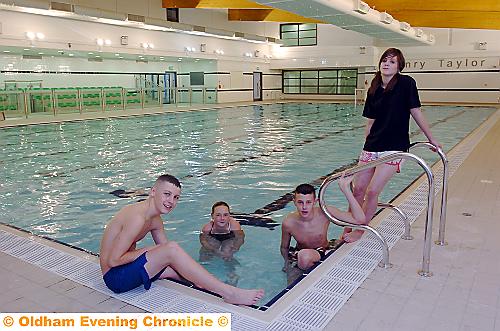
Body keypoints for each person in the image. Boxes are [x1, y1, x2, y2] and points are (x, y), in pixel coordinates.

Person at [99, 174, 264, 306]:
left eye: (176, 197)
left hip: (127, 269)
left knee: (186, 274)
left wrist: (190, 270)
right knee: (172, 249)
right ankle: (229, 293)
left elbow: (168, 255)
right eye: (167, 194)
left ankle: (216, 287)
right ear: (153, 192)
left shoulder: (155, 219)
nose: (171, 201)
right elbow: (113, 261)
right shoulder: (137, 217)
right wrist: (148, 250)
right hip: (115, 279)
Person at [343, 48, 441, 243]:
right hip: (372, 147)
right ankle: (350, 225)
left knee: (372, 191)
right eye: (384, 60)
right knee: (357, 190)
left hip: (394, 147)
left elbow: (416, 112)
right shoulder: (374, 88)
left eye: (392, 62)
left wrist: (432, 139)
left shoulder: (406, 84)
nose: (387, 64)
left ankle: (361, 231)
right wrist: (366, 145)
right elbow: (370, 122)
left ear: (399, 67)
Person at [280, 174, 364, 271]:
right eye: (300, 202)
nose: (304, 207)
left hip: (321, 250)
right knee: (299, 267)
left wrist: (346, 190)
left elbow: (359, 220)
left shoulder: (325, 212)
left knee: (304, 257)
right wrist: (286, 263)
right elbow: (284, 248)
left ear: (315, 202)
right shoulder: (288, 223)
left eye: (308, 202)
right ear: (294, 202)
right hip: (299, 254)